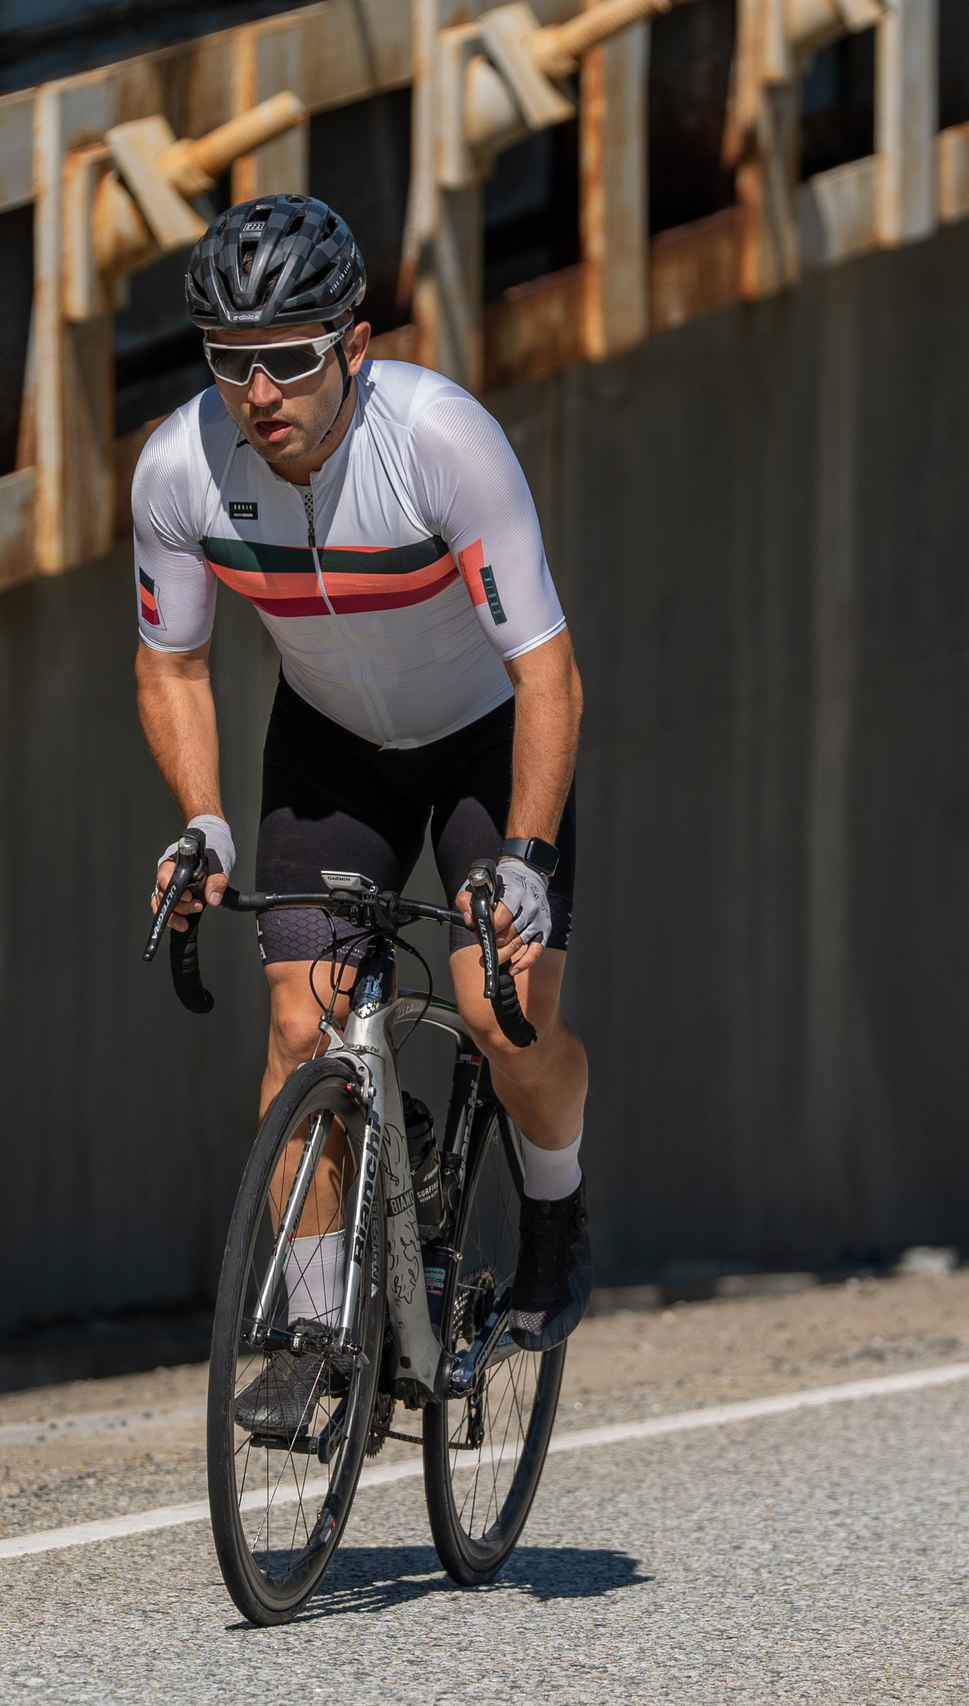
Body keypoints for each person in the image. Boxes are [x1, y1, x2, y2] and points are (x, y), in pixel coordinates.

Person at [133, 196, 592, 1377]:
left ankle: (555, 1198)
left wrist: (529, 861)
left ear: (356, 345)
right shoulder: (180, 466)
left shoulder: (442, 441)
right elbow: (172, 665)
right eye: (231, 363)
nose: (259, 392)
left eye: (291, 358)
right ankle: (310, 1324)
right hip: (331, 747)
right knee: (299, 1025)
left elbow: (546, 673)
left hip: (487, 739)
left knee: (498, 1013)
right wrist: (203, 816)